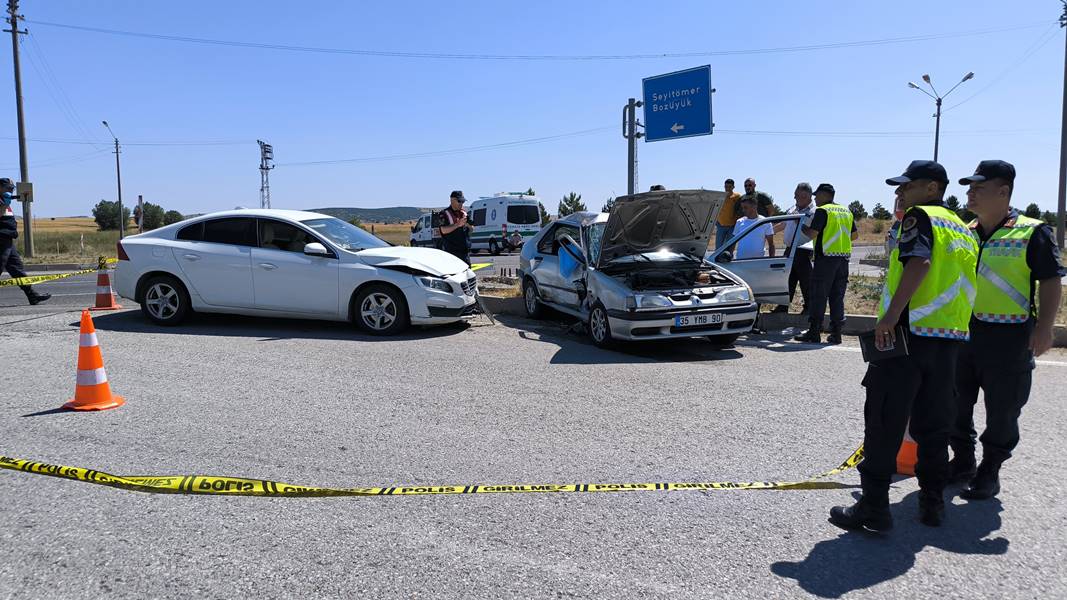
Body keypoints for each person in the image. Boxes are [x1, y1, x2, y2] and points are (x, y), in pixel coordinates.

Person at [829, 160, 978, 532]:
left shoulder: (920, 217)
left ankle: (874, 508)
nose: (900, 193)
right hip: (948, 342)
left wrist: (890, 317)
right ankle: (932, 504)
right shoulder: (963, 228)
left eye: (906, 186)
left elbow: (919, 263)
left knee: (884, 422)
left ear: (931, 187)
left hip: (907, 338)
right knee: (934, 427)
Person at [950, 160, 1065, 500]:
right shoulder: (966, 231)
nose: (970, 193)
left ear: (1003, 192)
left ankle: (990, 470)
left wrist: (1045, 328)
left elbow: (1050, 279)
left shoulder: (1032, 230)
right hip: (963, 333)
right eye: (969, 187)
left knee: (1003, 410)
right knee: (954, 403)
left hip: (1009, 337)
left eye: (978, 188)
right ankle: (963, 462)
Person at [794, 184, 856, 343]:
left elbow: (812, 233)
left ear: (824, 194)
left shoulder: (823, 210)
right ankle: (836, 333)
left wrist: (801, 226)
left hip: (826, 259)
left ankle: (814, 332)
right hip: (843, 260)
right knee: (837, 297)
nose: (815, 198)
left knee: (818, 296)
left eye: (817, 195)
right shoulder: (847, 211)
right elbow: (854, 236)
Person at [0, 178, 50, 306]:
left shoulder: (5, 200)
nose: (10, 191)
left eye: (12, 189)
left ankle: (32, 296)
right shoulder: (3, 201)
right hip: (1, 240)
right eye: (8, 188)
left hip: (8, 240)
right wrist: (5, 202)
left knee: (17, 269)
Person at [773, 182, 817, 314]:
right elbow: (783, 224)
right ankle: (783, 306)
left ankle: (809, 307)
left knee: (806, 281)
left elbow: (812, 232)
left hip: (803, 250)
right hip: (789, 249)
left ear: (805, 195)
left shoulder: (814, 211)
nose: (794, 198)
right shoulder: (793, 208)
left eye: (796, 195)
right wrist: (767, 232)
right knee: (787, 279)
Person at [436, 190, 472, 265]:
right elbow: (443, 230)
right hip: (452, 254)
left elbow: (471, 230)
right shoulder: (444, 214)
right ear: (452, 200)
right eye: (459, 201)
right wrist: (457, 224)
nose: (461, 204)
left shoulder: (464, 213)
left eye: (463, 202)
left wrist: (468, 225)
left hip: (465, 253)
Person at [715, 179, 742, 251]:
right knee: (718, 247)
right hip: (721, 225)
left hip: (732, 226)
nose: (727, 188)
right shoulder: (720, 196)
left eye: (730, 187)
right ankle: (717, 261)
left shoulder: (737, 196)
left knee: (730, 247)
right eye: (726, 187)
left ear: (733, 187)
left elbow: (740, 209)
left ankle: (729, 259)